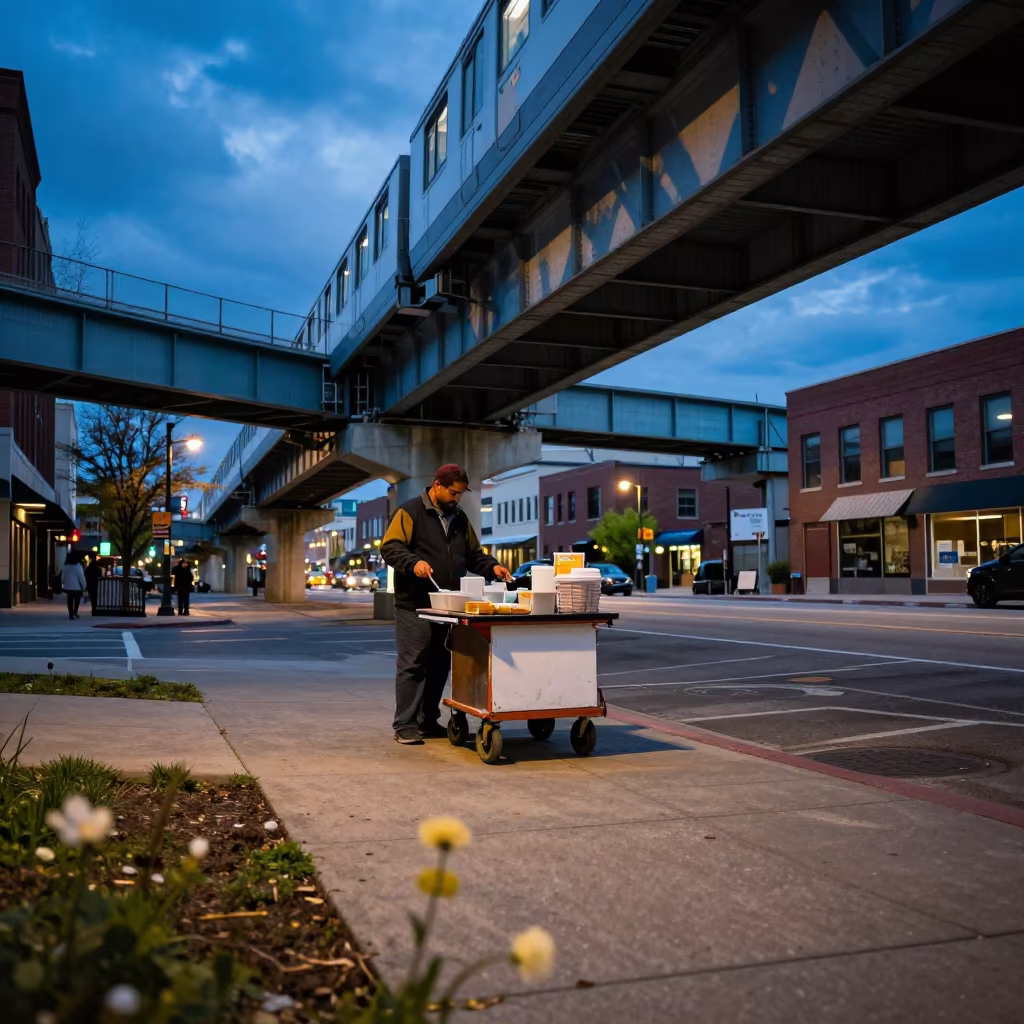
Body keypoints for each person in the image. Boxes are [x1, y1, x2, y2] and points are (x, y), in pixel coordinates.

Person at [381, 464, 512, 744]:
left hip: (448, 605)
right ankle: (404, 724)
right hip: (414, 604)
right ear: (437, 485)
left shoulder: (460, 519)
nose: (457, 498)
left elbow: (474, 555)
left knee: (440, 663)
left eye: (461, 494)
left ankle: (428, 719)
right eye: (453, 492)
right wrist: (413, 563)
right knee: (413, 664)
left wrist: (493, 568)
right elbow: (390, 547)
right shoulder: (409, 511)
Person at [61, 552, 87, 620]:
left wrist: (63, 583)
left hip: (68, 586)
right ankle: (75, 612)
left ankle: (70, 614)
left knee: (69, 600)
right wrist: (84, 585)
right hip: (77, 587)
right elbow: (81, 577)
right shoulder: (78, 566)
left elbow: (62, 577)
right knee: (77, 600)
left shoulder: (65, 566)